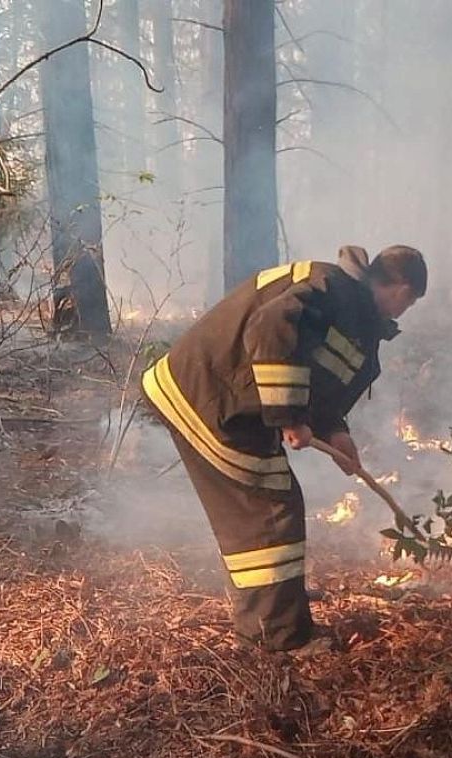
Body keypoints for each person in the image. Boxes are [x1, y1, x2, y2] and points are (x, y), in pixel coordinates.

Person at [142, 245, 427, 653]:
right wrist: (290, 416)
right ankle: (276, 636)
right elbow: (270, 328)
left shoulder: (349, 306)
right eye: (410, 302)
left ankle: (280, 603)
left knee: (275, 504)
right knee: (270, 511)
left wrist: (335, 431)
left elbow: (316, 375)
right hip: (210, 397)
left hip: (224, 398)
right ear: (401, 289)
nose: (404, 312)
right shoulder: (333, 288)